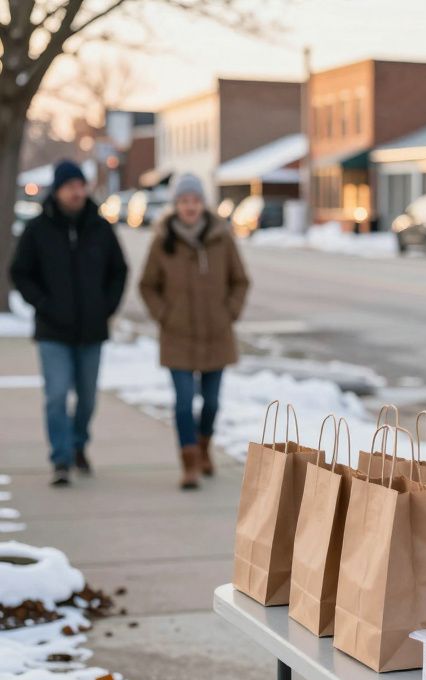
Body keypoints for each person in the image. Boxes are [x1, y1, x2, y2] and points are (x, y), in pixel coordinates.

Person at [9, 160, 127, 487]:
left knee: (87, 398)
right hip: (52, 331)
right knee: (57, 396)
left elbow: (119, 271)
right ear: (58, 190)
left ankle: (78, 444)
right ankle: (61, 459)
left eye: (80, 185)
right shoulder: (38, 229)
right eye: (70, 186)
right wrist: (43, 303)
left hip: (92, 330)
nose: (77, 191)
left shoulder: (100, 227)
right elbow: (20, 273)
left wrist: (107, 306)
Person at [138, 173, 249, 490]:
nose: (190, 206)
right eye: (184, 201)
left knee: (211, 403)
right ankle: (189, 464)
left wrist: (230, 311)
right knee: (184, 403)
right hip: (178, 336)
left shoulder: (221, 237)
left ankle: (204, 448)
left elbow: (240, 280)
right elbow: (147, 285)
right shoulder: (163, 240)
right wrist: (164, 315)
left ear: (203, 203)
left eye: (195, 200)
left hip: (217, 334)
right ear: (176, 205)